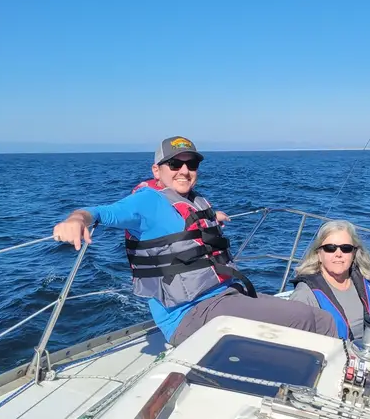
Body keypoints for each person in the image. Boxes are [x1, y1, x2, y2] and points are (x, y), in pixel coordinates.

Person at [52, 136, 338, 345]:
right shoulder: (146, 202)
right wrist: (76, 220)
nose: (184, 170)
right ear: (157, 171)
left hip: (224, 297)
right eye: (174, 163)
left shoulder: (191, 200)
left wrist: (212, 219)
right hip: (190, 315)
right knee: (312, 320)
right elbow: (100, 213)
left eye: (191, 164)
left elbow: (184, 227)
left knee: (316, 316)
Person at [290, 220, 370, 355]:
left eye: (346, 248)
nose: (338, 254)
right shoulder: (305, 295)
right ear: (319, 254)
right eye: (330, 248)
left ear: (354, 253)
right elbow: (295, 345)